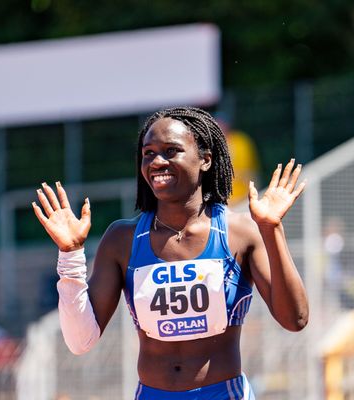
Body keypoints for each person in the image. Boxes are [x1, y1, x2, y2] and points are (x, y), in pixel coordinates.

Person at [31, 107, 308, 399]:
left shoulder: (240, 233)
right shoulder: (122, 239)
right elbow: (80, 341)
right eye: (148, 153)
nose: (157, 161)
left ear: (205, 159)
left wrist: (271, 228)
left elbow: (295, 320)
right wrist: (70, 254)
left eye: (171, 151)